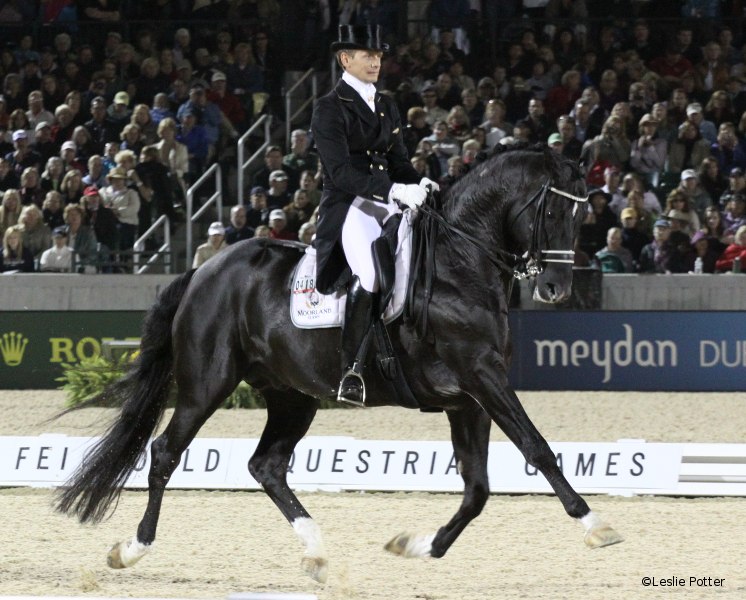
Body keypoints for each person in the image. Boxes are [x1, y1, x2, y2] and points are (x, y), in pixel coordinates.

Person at [310, 24, 437, 406]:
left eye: (379, 56)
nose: (376, 62)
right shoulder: (329, 107)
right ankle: (350, 370)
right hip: (349, 204)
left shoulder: (386, 104)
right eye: (368, 55)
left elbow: (398, 163)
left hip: (387, 201)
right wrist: (395, 191)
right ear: (345, 59)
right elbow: (340, 173)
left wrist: (420, 181)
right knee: (370, 272)